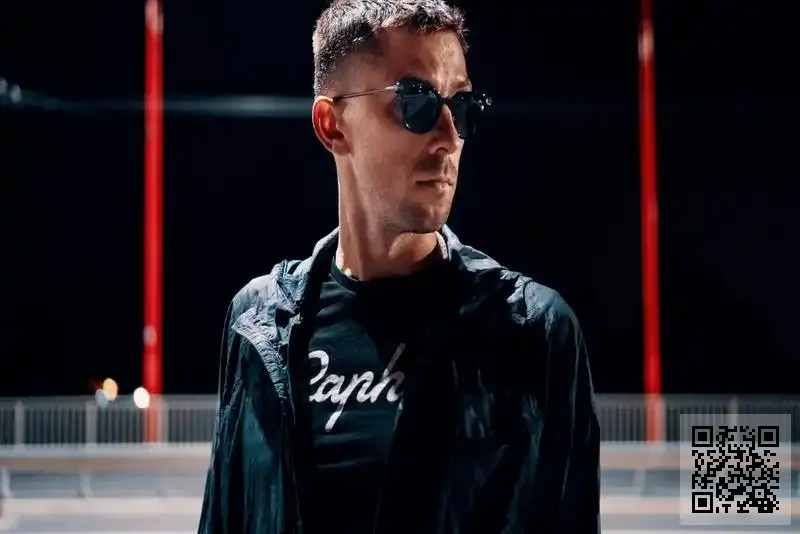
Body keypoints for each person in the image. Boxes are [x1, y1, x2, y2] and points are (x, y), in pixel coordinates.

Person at [198, 1, 600, 532]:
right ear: (332, 125)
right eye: (417, 102)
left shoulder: (531, 332)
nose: (450, 137)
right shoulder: (256, 325)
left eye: (462, 105)